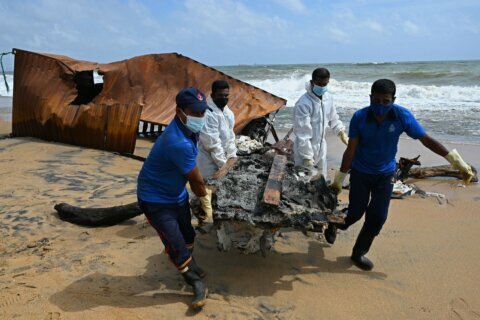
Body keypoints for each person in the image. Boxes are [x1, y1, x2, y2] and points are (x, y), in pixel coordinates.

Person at [331, 79, 474, 271]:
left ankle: (358, 253)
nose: (380, 105)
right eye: (376, 100)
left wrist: (455, 161)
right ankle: (334, 223)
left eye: (385, 101)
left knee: (378, 217)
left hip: (386, 174)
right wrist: (339, 178)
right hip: (361, 172)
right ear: (370, 98)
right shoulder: (360, 117)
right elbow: (350, 150)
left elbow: (426, 140)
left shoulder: (401, 116)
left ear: (393, 100)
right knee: (356, 213)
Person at [137, 87, 213, 309]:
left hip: (176, 193)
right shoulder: (176, 141)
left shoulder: (190, 130)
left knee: (188, 233)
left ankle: (191, 264)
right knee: (175, 242)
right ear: (180, 111)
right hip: (155, 200)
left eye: (202, 112)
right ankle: (195, 282)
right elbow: (197, 181)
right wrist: (205, 201)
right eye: (196, 113)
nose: (200, 117)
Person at [293, 67, 348, 178]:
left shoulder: (328, 98)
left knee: (321, 180)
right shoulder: (304, 103)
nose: (322, 87)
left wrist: (341, 132)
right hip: (305, 149)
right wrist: (307, 157)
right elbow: (302, 133)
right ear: (312, 82)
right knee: (304, 182)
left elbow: (333, 119)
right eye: (319, 84)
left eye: (324, 84)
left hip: (321, 147)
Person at [197, 80, 237, 179]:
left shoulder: (228, 113)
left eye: (226, 96)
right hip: (208, 163)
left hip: (223, 160)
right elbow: (212, 144)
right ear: (213, 95)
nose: (223, 98)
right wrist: (224, 166)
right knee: (208, 188)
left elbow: (231, 137)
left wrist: (232, 156)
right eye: (220, 95)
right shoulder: (207, 113)